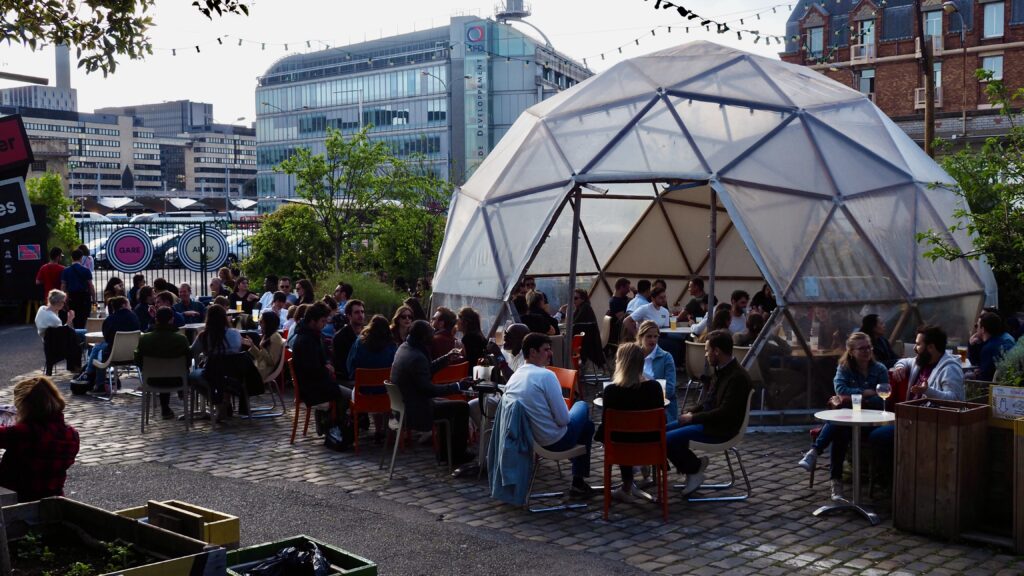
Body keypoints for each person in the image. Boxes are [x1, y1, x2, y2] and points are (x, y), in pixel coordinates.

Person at [500, 332, 595, 496]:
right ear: (532, 352)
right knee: (582, 405)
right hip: (553, 441)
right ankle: (578, 479)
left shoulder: (515, 377)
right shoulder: (546, 375)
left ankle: (578, 480)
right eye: (546, 349)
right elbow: (563, 420)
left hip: (529, 439)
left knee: (588, 426)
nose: (551, 353)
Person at [797, 332, 888, 501]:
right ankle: (835, 482)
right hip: (848, 422)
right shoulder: (844, 368)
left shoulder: (879, 369)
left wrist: (858, 398)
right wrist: (866, 393)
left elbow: (881, 399)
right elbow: (840, 390)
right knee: (842, 430)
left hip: (870, 423)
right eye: (862, 348)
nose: (867, 351)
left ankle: (815, 453)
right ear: (851, 351)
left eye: (869, 347)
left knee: (840, 424)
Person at [668, 330, 752, 496]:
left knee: (667, 439)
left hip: (721, 429)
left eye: (707, 350)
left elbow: (724, 413)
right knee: (662, 430)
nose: (706, 355)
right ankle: (694, 467)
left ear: (717, 352)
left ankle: (694, 470)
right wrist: (692, 412)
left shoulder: (737, 377)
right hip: (710, 422)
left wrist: (693, 417)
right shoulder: (722, 370)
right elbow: (709, 402)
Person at [596, 343, 678, 502]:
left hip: (620, 449)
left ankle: (626, 486)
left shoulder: (611, 391)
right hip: (651, 447)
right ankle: (634, 480)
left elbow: (606, 425)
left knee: (617, 436)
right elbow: (662, 420)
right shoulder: (654, 388)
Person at [391, 319, 472, 463]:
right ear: (423, 337)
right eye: (431, 333)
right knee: (462, 407)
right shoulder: (417, 356)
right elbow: (428, 390)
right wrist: (457, 387)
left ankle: (446, 453)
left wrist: (446, 359)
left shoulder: (405, 347)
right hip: (416, 410)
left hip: (405, 405)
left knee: (450, 406)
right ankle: (456, 455)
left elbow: (424, 371)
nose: (434, 335)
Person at [0, 376, 79, 502]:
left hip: (17, 499)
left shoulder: (25, 432)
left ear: (26, 407)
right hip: (53, 499)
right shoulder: (72, 434)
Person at [292, 302, 353, 441]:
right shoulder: (306, 340)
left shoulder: (311, 335)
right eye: (323, 321)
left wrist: (327, 364)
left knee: (350, 388)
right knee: (351, 395)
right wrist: (326, 368)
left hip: (317, 381)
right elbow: (312, 369)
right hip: (313, 387)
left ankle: (332, 422)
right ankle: (334, 426)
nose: (325, 324)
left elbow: (321, 359)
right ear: (313, 321)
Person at [135, 306, 191, 420]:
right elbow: (188, 361)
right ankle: (178, 396)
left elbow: (138, 360)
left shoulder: (144, 339)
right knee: (172, 369)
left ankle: (165, 408)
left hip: (152, 379)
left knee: (162, 370)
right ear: (171, 320)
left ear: (156, 320)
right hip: (177, 379)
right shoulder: (181, 339)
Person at [190, 304, 245, 419]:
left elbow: (192, 353)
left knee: (192, 378)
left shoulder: (204, 336)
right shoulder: (235, 333)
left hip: (212, 373)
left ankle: (219, 405)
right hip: (235, 373)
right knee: (225, 373)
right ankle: (225, 401)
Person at [77, 296, 140, 389]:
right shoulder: (134, 317)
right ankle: (90, 374)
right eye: (129, 304)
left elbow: (107, 338)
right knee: (99, 347)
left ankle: (97, 382)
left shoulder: (110, 319)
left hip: (113, 355)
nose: (130, 307)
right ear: (124, 305)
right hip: (132, 354)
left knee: (99, 350)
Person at [892, 324, 965, 401]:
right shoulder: (923, 361)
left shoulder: (950, 369)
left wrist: (928, 391)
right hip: (911, 411)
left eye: (918, 344)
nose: (914, 348)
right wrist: (900, 367)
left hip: (930, 413)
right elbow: (905, 361)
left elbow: (955, 399)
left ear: (931, 347)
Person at [636, 320, 678, 426]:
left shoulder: (666, 357)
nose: (653, 340)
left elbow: (670, 388)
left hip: (660, 406)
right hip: (636, 403)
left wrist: (649, 401)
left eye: (655, 336)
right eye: (649, 336)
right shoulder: (633, 356)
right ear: (641, 337)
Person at [971, 312, 1016, 381]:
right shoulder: (1001, 342)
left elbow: (984, 379)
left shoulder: (988, 348)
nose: (976, 328)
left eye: (977, 326)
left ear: (983, 329)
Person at [243, 311, 284, 382]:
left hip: (263, 371)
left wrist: (261, 347)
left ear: (268, 323)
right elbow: (261, 356)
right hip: (259, 366)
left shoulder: (275, 337)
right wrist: (252, 345)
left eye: (261, 321)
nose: (259, 323)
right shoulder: (268, 335)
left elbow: (271, 362)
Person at [331, 299, 366, 381]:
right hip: (348, 379)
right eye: (357, 312)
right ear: (349, 315)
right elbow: (341, 366)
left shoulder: (368, 334)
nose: (361, 315)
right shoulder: (340, 337)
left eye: (362, 312)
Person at [60, 249, 94, 330]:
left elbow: (63, 286)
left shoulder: (66, 270)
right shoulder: (86, 270)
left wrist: (63, 299)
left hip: (72, 296)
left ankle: (76, 335)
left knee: (74, 318)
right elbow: (91, 286)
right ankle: (81, 335)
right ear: (81, 258)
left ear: (72, 258)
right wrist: (94, 298)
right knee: (83, 317)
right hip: (84, 297)